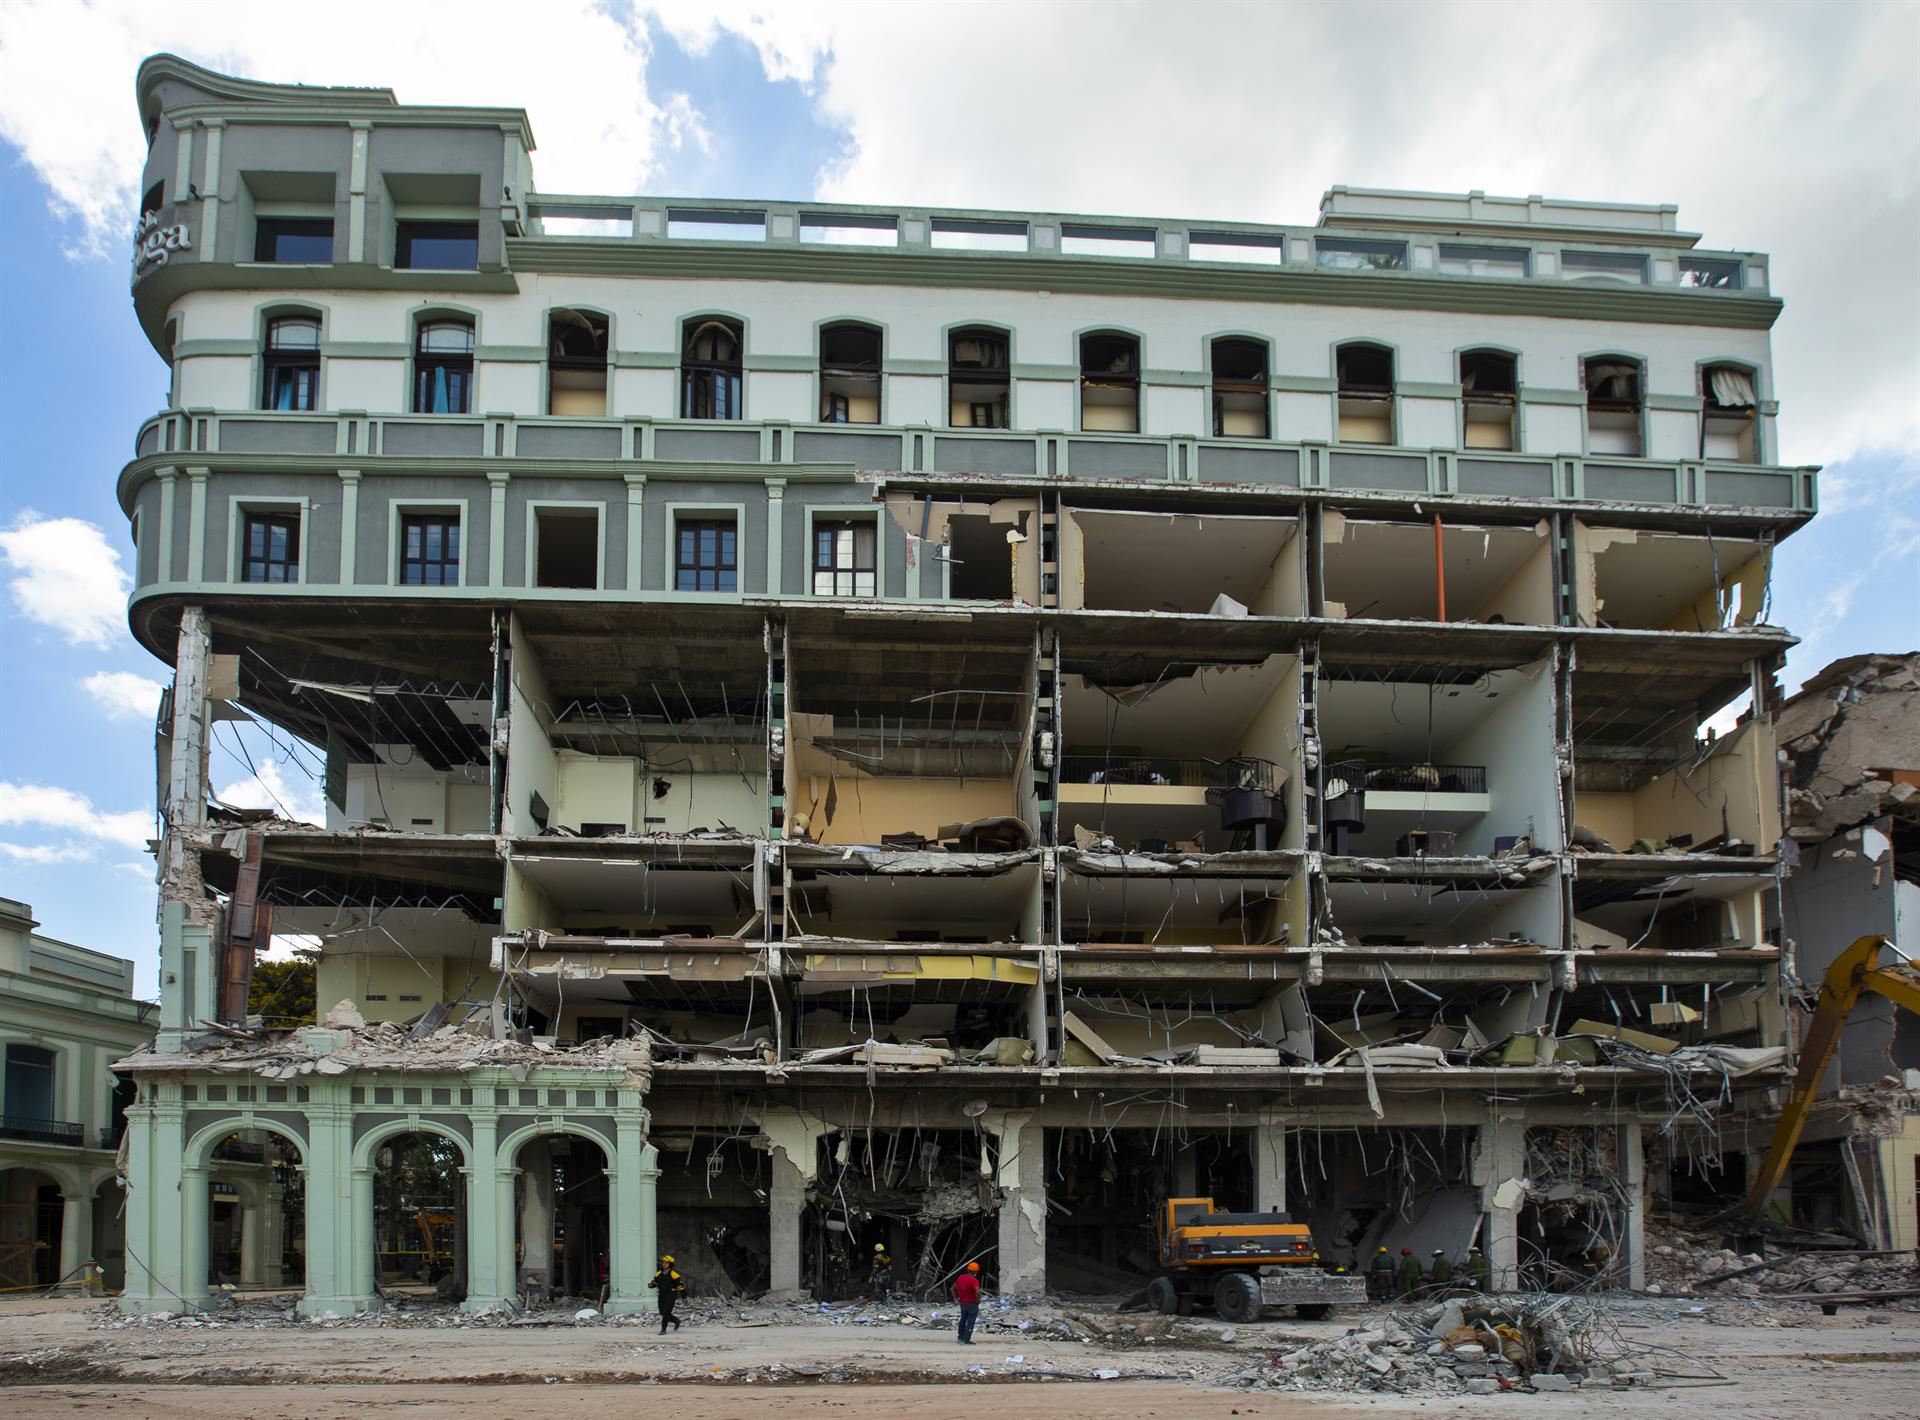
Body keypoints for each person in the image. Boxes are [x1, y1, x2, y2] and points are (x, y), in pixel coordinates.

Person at [649, 1253, 686, 1334]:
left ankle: (663, 1330)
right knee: (662, 1312)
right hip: (661, 1295)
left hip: (670, 1295)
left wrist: (684, 1297)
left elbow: (681, 1287)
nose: (664, 1264)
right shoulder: (658, 1273)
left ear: (670, 1264)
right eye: (663, 1262)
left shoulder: (674, 1275)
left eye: (666, 1263)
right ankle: (676, 1321)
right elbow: (655, 1283)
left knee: (666, 1312)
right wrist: (651, 1285)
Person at [954, 1260, 982, 1344]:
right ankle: (966, 1340)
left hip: (963, 1303)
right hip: (972, 1304)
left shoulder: (961, 1278)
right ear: (976, 1271)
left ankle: (960, 1337)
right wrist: (978, 1301)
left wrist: (956, 1298)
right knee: (971, 1321)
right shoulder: (974, 1280)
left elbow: (952, 1288)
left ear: (967, 1269)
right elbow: (977, 1291)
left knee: (963, 1320)